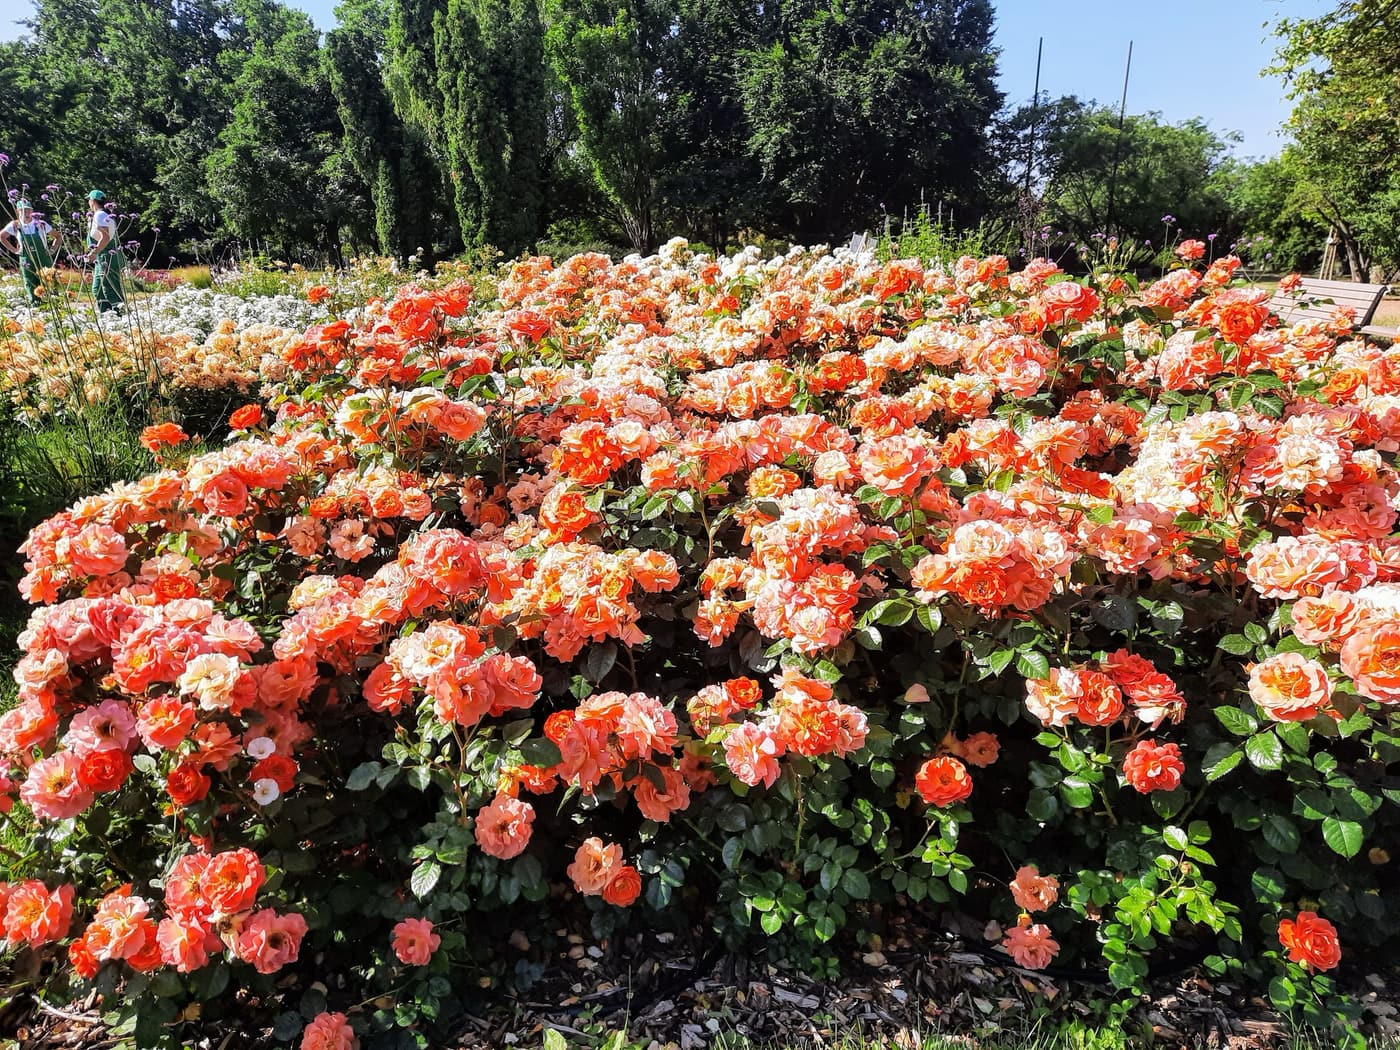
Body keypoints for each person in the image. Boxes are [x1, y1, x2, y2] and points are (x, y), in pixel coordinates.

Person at [0, 197, 60, 304]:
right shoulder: (15, 225)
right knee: (29, 281)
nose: (26, 212)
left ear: (32, 211)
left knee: (49, 279)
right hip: (25, 259)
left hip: (43, 257)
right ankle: (35, 305)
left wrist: (53, 249)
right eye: (23, 210)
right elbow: (2, 236)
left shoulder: (40, 224)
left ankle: (54, 303)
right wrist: (14, 250)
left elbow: (58, 237)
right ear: (18, 211)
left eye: (28, 209)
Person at [83, 189, 125, 313]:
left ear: (93, 201)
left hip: (107, 257)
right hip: (101, 258)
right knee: (98, 289)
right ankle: (106, 317)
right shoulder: (101, 215)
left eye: (89, 200)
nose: (89, 203)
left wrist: (94, 252)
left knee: (110, 289)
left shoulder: (100, 215)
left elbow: (105, 237)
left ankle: (119, 316)